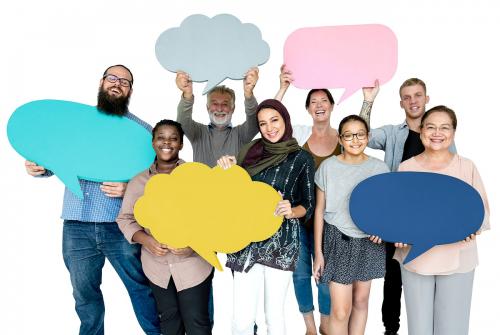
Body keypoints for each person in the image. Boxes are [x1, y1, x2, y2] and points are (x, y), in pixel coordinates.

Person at [24, 65, 161, 335]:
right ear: (101, 82)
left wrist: (129, 188)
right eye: (112, 78)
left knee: (141, 288)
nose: (117, 84)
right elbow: (56, 160)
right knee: (84, 295)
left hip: (121, 225)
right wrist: (38, 167)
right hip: (77, 223)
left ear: (130, 90)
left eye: (125, 81)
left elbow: (158, 180)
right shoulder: (77, 126)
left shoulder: (144, 132)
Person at [359, 78, 455, 335]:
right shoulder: (393, 133)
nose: (413, 101)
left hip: (429, 219)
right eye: (407, 97)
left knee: (430, 273)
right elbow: (360, 134)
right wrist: (368, 101)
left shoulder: (439, 135)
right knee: (394, 278)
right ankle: (391, 329)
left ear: (427, 98)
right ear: (401, 102)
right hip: (396, 218)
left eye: (418, 95)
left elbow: (452, 178)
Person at [217, 99, 315, 335]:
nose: (269, 128)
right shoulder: (250, 151)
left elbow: (308, 204)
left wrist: (292, 210)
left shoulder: (301, 158)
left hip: (281, 242)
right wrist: (224, 170)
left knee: (274, 316)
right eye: (263, 123)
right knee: (241, 319)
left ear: (285, 120)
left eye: (274, 120)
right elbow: (232, 192)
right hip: (246, 242)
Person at [394, 106, 489, 335]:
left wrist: (472, 227)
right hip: (416, 259)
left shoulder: (466, 167)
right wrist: (397, 232)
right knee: (419, 329)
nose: (437, 133)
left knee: (453, 329)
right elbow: (397, 214)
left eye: (444, 127)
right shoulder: (406, 168)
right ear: (421, 131)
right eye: (431, 127)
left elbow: (482, 211)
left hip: (458, 260)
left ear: (453, 133)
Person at [117, 119, 214, 335]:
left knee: (197, 323)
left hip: (193, 266)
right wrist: (147, 241)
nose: (166, 143)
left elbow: (213, 218)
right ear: (153, 142)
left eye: (173, 138)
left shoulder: (197, 176)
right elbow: (125, 218)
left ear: (181, 144)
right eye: (161, 137)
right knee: (169, 325)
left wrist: (194, 246)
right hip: (157, 267)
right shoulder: (138, 182)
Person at [275, 65, 337, 335]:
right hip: (298, 217)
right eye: (314, 102)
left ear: (332, 106)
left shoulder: (344, 138)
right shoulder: (299, 134)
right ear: (308, 109)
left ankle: (325, 325)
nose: (319, 105)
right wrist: (283, 87)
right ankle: (310, 328)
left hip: (331, 219)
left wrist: (369, 100)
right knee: (300, 274)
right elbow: (270, 118)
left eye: (324, 100)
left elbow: (362, 132)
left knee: (325, 277)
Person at [313, 115, 389, 335]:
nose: (355, 140)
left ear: (368, 137)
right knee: (339, 311)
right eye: (348, 135)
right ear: (340, 138)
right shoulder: (328, 167)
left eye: (360, 134)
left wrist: (381, 230)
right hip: (339, 239)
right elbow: (319, 210)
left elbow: (386, 208)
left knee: (361, 302)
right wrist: (318, 252)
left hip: (369, 242)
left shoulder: (379, 168)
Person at [176, 68, 260, 167]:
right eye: (214, 103)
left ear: (233, 108)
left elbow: (255, 121)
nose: (219, 109)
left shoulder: (241, 134)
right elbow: (182, 122)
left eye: (225, 104)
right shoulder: (198, 133)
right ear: (207, 108)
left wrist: (248, 93)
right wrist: (187, 94)